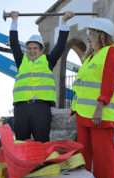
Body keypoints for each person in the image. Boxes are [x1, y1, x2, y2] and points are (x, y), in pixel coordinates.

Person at [70, 18, 114, 178]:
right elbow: (82, 86)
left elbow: (109, 81)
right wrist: (74, 108)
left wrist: (101, 105)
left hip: (99, 115)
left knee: (104, 162)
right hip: (84, 115)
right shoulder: (90, 57)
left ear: (101, 35)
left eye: (91, 35)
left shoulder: (110, 52)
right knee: (83, 160)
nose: (88, 39)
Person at [9, 11, 74, 142]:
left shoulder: (48, 61)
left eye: (35, 48)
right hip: (21, 108)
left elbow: (60, 46)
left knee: (42, 143)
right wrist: (14, 21)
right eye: (29, 48)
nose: (32, 51)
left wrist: (64, 22)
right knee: (21, 143)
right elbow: (14, 44)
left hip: (41, 108)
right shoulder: (21, 62)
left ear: (41, 50)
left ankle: (43, 163)